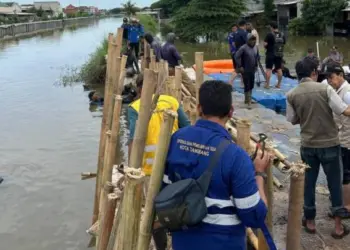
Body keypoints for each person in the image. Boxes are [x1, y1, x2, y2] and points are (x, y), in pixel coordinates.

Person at [162, 80, 272, 250]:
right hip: (224, 243)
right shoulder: (236, 156)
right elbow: (254, 216)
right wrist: (259, 174)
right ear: (231, 112)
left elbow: (165, 187)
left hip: (183, 241)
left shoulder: (176, 139)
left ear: (199, 109)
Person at [286, 56, 350, 239]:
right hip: (330, 143)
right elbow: (344, 111)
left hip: (308, 145)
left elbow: (292, 120)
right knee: (335, 184)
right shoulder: (326, 88)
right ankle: (338, 227)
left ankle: (310, 221)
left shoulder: (291, 94)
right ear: (314, 72)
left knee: (309, 183)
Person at [128, 73, 190, 250]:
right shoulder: (172, 101)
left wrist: (131, 170)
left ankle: (162, 247)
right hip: (175, 165)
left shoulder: (135, 107)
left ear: (140, 90)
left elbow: (133, 139)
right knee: (178, 206)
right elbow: (186, 129)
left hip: (150, 170)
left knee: (154, 214)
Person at [326, 63, 350, 216]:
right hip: (340, 138)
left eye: (332, 77)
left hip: (346, 140)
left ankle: (347, 206)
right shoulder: (337, 90)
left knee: (346, 174)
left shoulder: (347, 93)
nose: (329, 81)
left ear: (341, 75)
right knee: (341, 173)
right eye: (328, 78)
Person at [235, 34, 259, 107]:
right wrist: (240, 66)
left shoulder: (255, 48)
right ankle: (249, 102)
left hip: (252, 69)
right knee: (247, 84)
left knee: (251, 84)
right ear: (248, 40)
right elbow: (236, 56)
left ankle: (248, 99)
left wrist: (256, 65)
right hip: (245, 69)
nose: (253, 41)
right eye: (251, 40)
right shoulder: (243, 48)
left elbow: (256, 57)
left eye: (254, 40)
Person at [264, 21, 286, 89]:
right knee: (279, 69)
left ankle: (267, 85)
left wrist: (266, 47)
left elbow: (265, 44)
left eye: (270, 27)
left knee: (268, 69)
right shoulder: (282, 34)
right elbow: (284, 43)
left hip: (270, 53)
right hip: (279, 54)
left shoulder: (269, 34)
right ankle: (278, 84)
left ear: (272, 27)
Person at [229, 20, 247, 88]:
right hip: (242, 53)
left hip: (237, 52)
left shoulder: (235, 33)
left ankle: (242, 83)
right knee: (238, 69)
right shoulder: (244, 33)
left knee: (242, 69)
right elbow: (247, 44)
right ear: (244, 25)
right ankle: (230, 82)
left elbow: (233, 43)